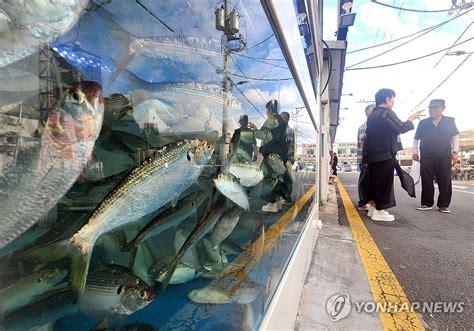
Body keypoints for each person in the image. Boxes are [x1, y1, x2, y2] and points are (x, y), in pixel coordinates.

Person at [364, 88, 423, 222]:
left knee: (375, 182)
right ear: (387, 99)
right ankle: (379, 210)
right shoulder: (387, 113)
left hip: (373, 155)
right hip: (385, 154)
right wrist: (411, 119)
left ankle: (373, 208)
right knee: (384, 183)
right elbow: (401, 127)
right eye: (393, 100)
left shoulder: (372, 115)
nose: (393, 103)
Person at [412, 99, 459, 213]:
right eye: (431, 108)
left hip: (444, 155)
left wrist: (455, 152)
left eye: (436, 108)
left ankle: (443, 205)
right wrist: (415, 152)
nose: (432, 110)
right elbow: (416, 138)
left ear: (443, 108)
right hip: (427, 156)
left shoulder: (449, 121)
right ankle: (426, 203)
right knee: (427, 180)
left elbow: (455, 137)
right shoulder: (423, 123)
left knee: (445, 180)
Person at [356, 104, 375, 211]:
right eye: (370, 113)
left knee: (374, 181)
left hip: (375, 158)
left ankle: (373, 202)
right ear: (367, 114)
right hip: (365, 158)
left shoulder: (378, 125)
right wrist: (363, 160)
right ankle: (363, 202)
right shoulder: (363, 127)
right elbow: (361, 144)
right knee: (364, 180)